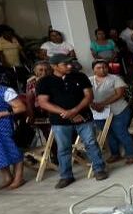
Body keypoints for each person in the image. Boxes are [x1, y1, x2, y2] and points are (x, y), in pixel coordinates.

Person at [36, 54, 109, 188]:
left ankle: (99, 169)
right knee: (63, 148)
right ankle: (66, 176)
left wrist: (75, 110)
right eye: (65, 64)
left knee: (91, 143)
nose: (70, 66)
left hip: (83, 117)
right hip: (60, 121)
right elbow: (43, 102)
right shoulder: (44, 81)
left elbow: (88, 96)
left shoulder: (80, 76)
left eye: (70, 63)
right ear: (54, 66)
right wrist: (67, 113)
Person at [89, 60, 133, 164]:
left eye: (104, 67)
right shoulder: (89, 80)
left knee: (121, 132)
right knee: (108, 134)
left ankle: (130, 154)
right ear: (93, 70)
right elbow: (86, 95)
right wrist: (93, 105)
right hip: (99, 112)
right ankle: (115, 154)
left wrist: (102, 104)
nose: (102, 69)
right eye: (99, 68)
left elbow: (119, 94)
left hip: (118, 110)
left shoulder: (115, 78)